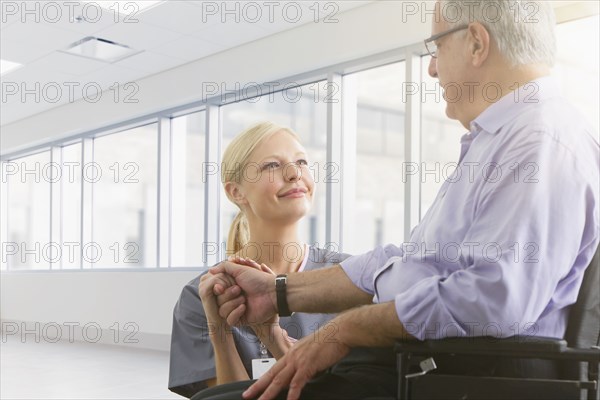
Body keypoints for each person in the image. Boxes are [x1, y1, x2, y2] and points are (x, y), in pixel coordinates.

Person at [198, 1, 600, 399]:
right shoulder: (505, 139)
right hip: (421, 366)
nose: (432, 67)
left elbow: (495, 300)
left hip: (455, 376)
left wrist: (346, 329)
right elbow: (411, 263)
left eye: (437, 46)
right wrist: (278, 292)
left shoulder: (539, 142)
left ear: (477, 43)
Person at [167, 122, 350, 397]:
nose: (293, 173)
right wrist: (221, 332)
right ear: (236, 192)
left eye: (301, 161)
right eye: (271, 166)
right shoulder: (201, 296)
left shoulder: (348, 277)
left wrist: (273, 337)